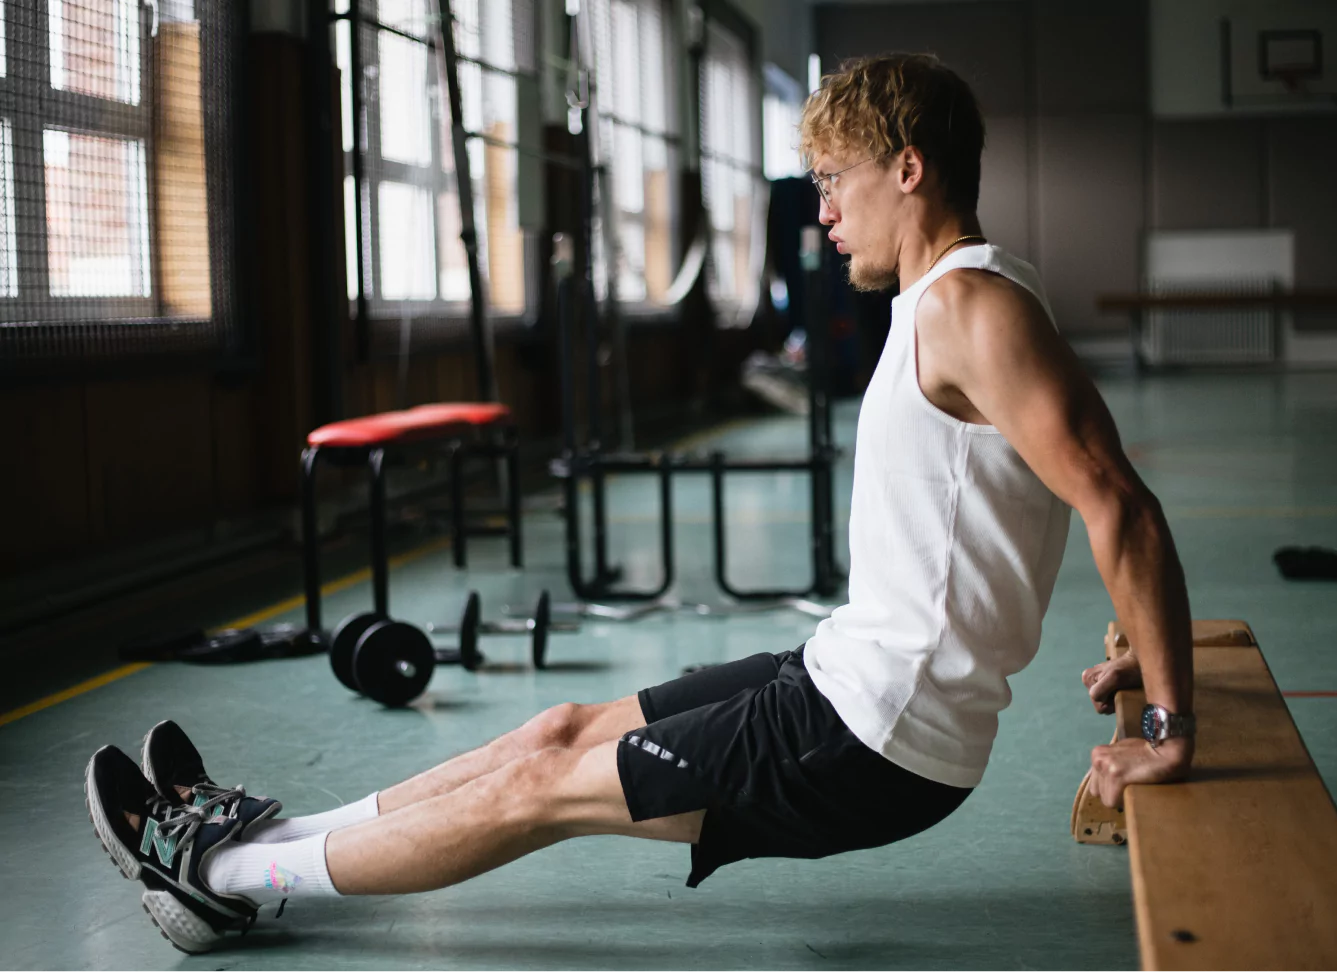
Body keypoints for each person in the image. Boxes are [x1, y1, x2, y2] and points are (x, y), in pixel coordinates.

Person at [84, 53, 1194, 954]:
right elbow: (1068, 492)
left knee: (537, 790)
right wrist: (1144, 652)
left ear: (908, 168)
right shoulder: (970, 296)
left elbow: (1120, 504)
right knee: (553, 732)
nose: (821, 211)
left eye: (833, 180)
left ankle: (222, 876)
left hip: (873, 738)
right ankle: (269, 837)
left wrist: (1166, 727)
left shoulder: (969, 308)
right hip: (839, 674)